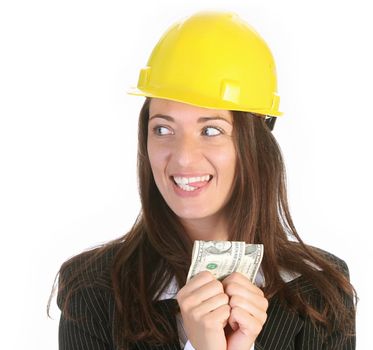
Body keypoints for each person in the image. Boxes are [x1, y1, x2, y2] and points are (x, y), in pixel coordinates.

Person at [49, 11, 357, 350]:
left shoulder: (322, 290)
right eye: (163, 129)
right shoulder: (92, 289)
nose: (182, 157)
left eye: (211, 130)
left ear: (254, 145)